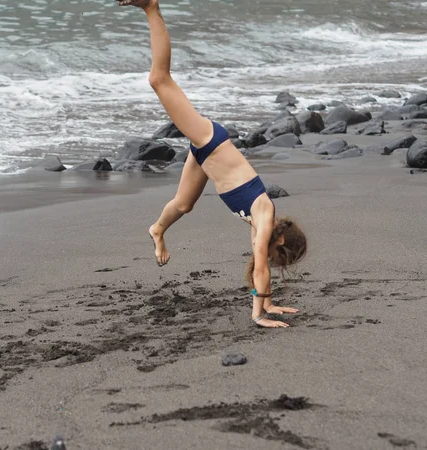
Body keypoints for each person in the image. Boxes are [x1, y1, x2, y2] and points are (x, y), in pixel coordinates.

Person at [117, 0, 307, 328]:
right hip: (210, 140)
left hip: (206, 158)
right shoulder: (264, 219)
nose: (275, 264)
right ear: (279, 243)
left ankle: (157, 229)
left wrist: (269, 303)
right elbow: (260, 268)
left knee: (183, 204)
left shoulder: (262, 228)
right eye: (281, 259)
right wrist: (258, 315)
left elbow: (259, 269)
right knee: (159, 79)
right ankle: (150, 7)